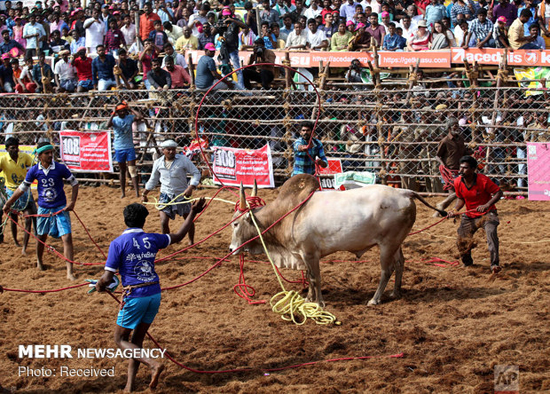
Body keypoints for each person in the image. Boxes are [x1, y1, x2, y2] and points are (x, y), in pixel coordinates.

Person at [93, 198, 206, 392]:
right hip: (154, 293)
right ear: (143, 221)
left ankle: (153, 364)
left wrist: (99, 286)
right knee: (137, 341)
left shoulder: (117, 243)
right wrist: (193, 212)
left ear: (124, 220)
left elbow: (106, 277)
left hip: (135, 295)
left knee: (120, 340)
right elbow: (178, 235)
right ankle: (130, 386)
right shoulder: (152, 239)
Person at [3, 141, 79, 279]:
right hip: (44, 208)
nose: (50, 155)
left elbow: (74, 183)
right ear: (39, 155)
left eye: (51, 152)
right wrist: (8, 203)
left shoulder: (60, 168)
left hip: (60, 207)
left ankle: (69, 271)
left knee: (67, 237)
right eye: (47, 153)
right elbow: (22, 188)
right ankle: (39, 261)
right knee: (41, 237)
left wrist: (72, 202)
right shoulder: (34, 171)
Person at [447, 155, 503, 274]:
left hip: (488, 213)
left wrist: (487, 204)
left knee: (491, 233)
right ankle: (467, 263)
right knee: (461, 239)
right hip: (470, 215)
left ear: (473, 169)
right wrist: (455, 209)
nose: (461, 170)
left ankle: (494, 264)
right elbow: (460, 198)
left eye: (465, 168)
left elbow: (498, 192)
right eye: (460, 167)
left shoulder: (483, 180)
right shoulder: (457, 182)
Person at [142, 140, 201, 244]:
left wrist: (191, 187)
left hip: (182, 194)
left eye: (173, 149)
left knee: (189, 219)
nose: (171, 152)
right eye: (168, 150)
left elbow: (196, 173)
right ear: (163, 151)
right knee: (163, 221)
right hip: (165, 195)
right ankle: (166, 242)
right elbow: (153, 179)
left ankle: (191, 241)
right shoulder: (158, 163)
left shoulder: (183, 160)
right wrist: (145, 193)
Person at [0, 137, 37, 253]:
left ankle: (35, 237)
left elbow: (34, 167)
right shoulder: (3, 160)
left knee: (32, 214)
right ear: (7, 149)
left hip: (24, 190)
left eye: (17, 147)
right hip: (11, 192)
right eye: (12, 148)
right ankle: (14, 240)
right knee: (13, 217)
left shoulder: (24, 157)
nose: (15, 150)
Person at [107, 102, 143, 199]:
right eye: (120, 111)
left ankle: (136, 192)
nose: (122, 113)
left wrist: (131, 109)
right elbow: (107, 125)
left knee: (132, 170)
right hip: (119, 147)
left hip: (129, 147)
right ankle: (123, 192)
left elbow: (140, 117)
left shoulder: (130, 118)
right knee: (122, 171)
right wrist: (113, 113)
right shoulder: (114, 119)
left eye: (123, 111)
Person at [435, 117, 470, 213]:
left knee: (458, 192)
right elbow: (438, 156)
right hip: (449, 170)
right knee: (454, 193)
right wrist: (443, 165)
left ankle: (444, 208)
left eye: (457, 126)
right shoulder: (445, 141)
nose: (457, 128)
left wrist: (472, 153)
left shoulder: (461, 140)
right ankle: (444, 209)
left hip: (460, 169)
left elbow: (465, 152)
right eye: (455, 126)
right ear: (449, 128)